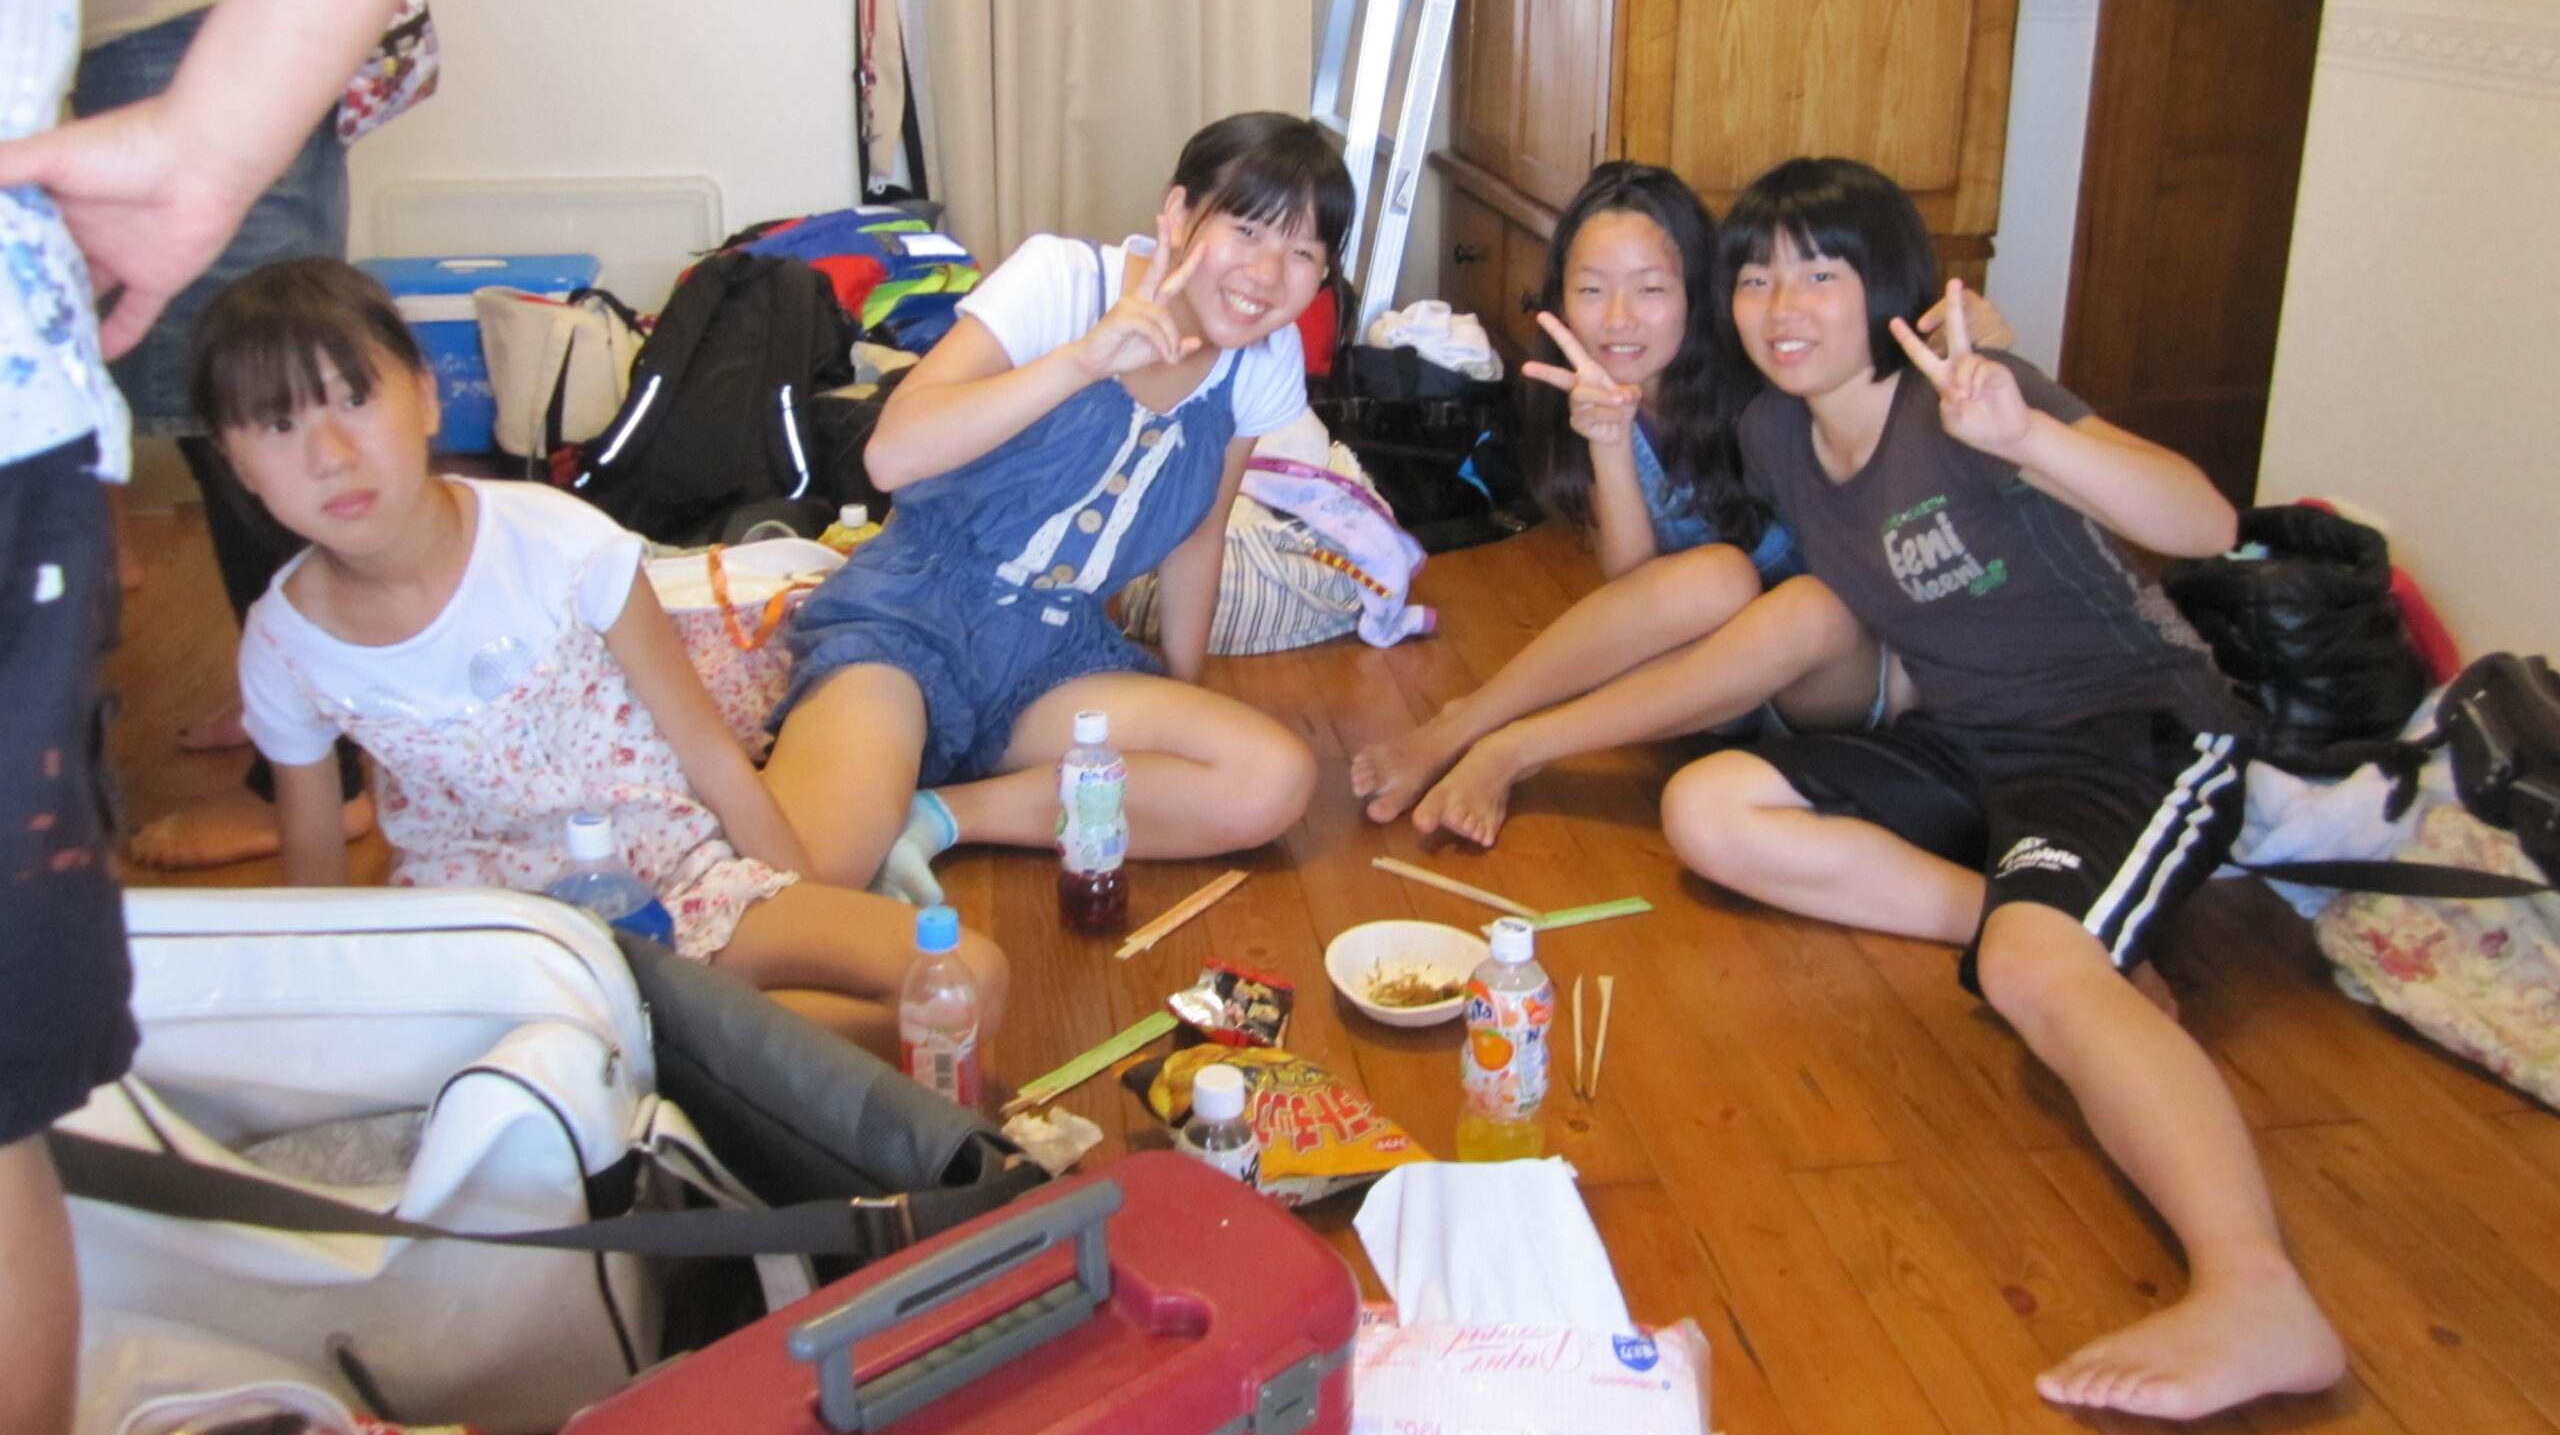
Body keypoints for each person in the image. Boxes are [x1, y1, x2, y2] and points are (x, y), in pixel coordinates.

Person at [0, 0, 495, 1428]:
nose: (348, 446)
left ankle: (332, 761)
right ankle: (322, 748)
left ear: (435, 402)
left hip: (174, 11)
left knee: (238, 438)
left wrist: (210, 135)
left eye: (380, 408)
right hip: (158, 45)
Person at [1662, 156, 2343, 1420]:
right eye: (1753, 278)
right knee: (1707, 810)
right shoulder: (1773, 432)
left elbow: (2202, 523)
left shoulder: (1971, 396)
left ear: (1890, 288)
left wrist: (2026, 433)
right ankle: (2046, 923)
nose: (1781, 305)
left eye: (1821, 273)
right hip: (1964, 733)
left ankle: (2257, 1291)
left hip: (2125, 732)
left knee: (2037, 974)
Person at [199, 258, 1009, 1050]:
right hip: (486, 945)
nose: (331, 454)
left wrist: (803, 898)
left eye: (355, 398)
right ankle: (665, 1050)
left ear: (424, 393)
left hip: (674, 884)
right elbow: (317, 892)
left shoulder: (555, 540)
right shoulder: (284, 643)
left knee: (965, 979)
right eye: (279, 425)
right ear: (235, 463)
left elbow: (712, 758)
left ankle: (634, 1047)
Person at [762, 113, 1346, 902]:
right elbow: (890, 456)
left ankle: (936, 817)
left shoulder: (1262, 361)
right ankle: (869, 791)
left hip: (1053, 660)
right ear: (1178, 213)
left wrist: (1182, 692)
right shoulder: (1065, 281)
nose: (1268, 273)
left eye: (1304, 253)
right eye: (1247, 230)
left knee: (1269, 781)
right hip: (908, 623)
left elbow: (1201, 533)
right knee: (822, 873)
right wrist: (1081, 361)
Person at [1352, 162, 2004, 844]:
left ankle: (1518, 745)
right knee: (1716, 575)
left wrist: (1966, 343)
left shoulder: (1771, 375)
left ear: (1700, 289)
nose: (1619, 319)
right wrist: (1608, 441)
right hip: (1707, 685)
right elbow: (1636, 594)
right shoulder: (1588, 390)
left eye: (1651, 289)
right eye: (1592, 289)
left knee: (1808, 603)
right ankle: (1468, 720)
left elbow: (1879, 374)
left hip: (1838, 687)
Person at [77, 0, 374, 870]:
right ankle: (292, 706)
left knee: (247, 410)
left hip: (191, 8)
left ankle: (319, 772)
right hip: (214, 2)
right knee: (243, 411)